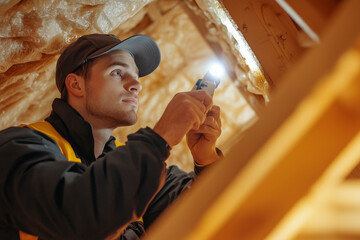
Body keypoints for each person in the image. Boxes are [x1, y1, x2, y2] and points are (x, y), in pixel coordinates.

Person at [0, 33, 222, 240]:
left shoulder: (135, 169)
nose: (136, 84)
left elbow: (214, 212)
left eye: (136, 76)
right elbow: (81, 213)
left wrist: (206, 159)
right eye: (117, 72)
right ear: (76, 85)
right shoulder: (17, 148)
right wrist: (161, 136)